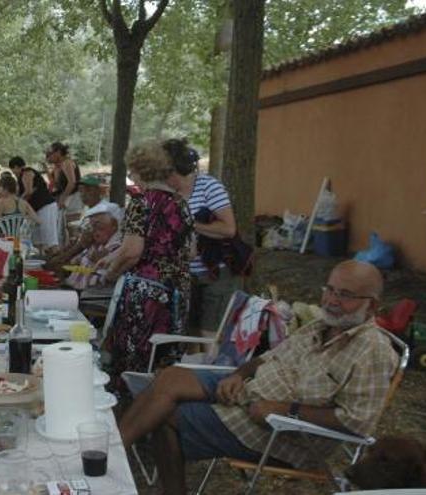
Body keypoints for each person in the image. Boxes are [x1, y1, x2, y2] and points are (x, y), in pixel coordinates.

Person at [118, 260, 398, 495]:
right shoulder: (322, 324)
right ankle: (112, 449)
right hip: (250, 390)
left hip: (279, 428)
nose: (332, 300)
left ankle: (114, 459)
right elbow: (268, 357)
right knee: (170, 377)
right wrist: (239, 374)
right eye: (330, 290)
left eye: (345, 295)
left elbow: (357, 421)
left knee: (166, 416)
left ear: (372, 306)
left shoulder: (372, 350)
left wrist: (284, 409)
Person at [102, 140, 195, 391]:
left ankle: (129, 411)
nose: (130, 175)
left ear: (140, 170)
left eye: (131, 170)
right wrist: (112, 257)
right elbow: (191, 251)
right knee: (162, 360)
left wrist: (111, 273)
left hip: (147, 295)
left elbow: (133, 251)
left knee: (136, 361)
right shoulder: (180, 203)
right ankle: (156, 412)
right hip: (177, 292)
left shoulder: (141, 202)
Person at [168, 139, 243, 336]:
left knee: (210, 333)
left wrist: (190, 223)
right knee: (189, 333)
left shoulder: (209, 187)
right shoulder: (168, 193)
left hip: (216, 273)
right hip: (185, 275)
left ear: (174, 169)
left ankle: (209, 365)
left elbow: (228, 229)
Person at [7, 156, 59, 250]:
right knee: (37, 240)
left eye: (13, 170)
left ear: (16, 167)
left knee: (49, 239)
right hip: (36, 209)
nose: (13, 173)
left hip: (46, 206)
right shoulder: (20, 178)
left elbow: (28, 191)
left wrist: (18, 204)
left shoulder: (27, 172)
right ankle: (40, 259)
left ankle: (57, 259)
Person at [65, 207, 123, 290]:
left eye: (99, 227)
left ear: (114, 226)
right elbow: (73, 262)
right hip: (79, 289)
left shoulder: (117, 247)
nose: (94, 231)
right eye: (92, 227)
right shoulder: (94, 245)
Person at [46, 141, 82, 221]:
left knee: (71, 225)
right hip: (68, 197)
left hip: (73, 197)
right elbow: (56, 184)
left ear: (58, 152)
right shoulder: (62, 164)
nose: (50, 156)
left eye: (51, 153)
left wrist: (63, 198)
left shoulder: (67, 162)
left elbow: (72, 183)